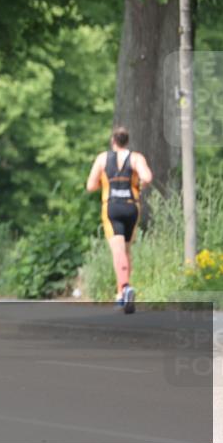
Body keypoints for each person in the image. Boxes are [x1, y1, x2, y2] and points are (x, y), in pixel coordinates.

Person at [85, 126, 152, 314]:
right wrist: (139, 185)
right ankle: (121, 294)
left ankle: (124, 287)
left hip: (112, 207)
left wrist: (102, 182)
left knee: (117, 251)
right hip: (132, 206)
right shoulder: (136, 158)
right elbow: (147, 176)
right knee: (127, 250)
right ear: (127, 141)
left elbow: (90, 186)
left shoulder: (102, 159)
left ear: (113, 141)